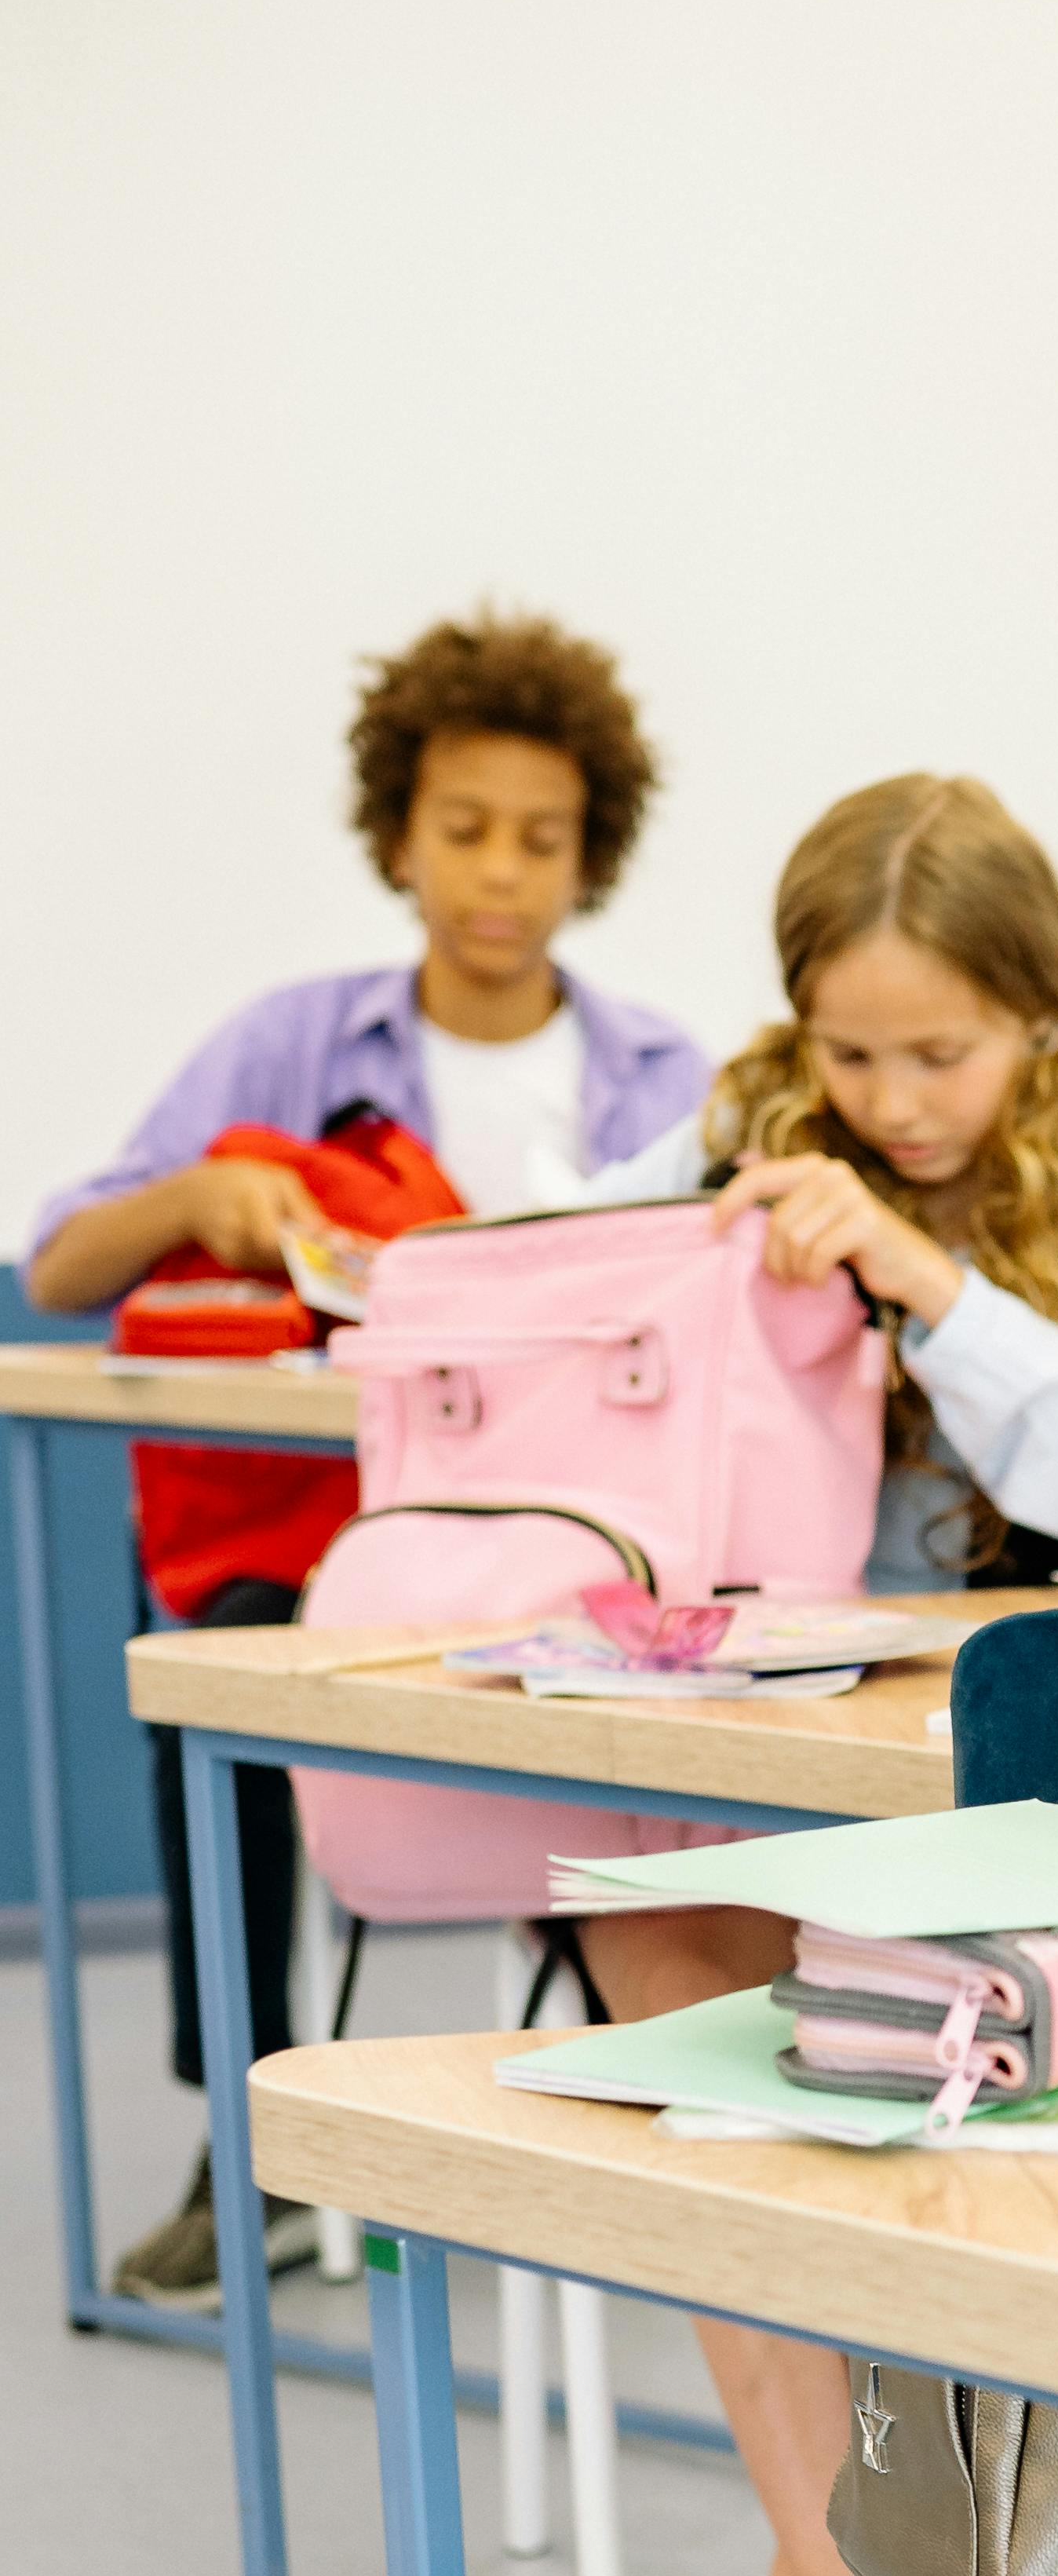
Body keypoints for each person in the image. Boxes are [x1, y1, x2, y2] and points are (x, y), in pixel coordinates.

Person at [567, 774, 1058, 2576]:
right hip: (788, 1747)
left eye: (938, 1052)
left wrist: (933, 1286)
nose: (890, 1097)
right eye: (850, 1053)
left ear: (1038, 1019)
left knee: (898, 1992)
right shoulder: (736, 1157)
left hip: (1020, 1773)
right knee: (664, 1927)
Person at [22, 612, 704, 2310]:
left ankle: (654, 2085)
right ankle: (250, 2146)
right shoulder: (285, 1044)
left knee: (651, 1719)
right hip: (309, 1534)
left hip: (558, 1548)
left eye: (541, 838)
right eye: (464, 826)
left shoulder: (661, 1076)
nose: (499, 870)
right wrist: (197, 1202)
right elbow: (58, 1271)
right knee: (224, 1681)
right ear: (397, 834)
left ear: (589, 856)